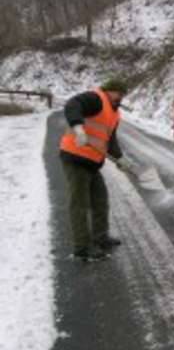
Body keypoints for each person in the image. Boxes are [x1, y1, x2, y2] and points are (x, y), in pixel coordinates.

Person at [60, 78, 132, 262]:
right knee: (80, 204)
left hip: (92, 161)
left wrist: (120, 158)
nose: (121, 97)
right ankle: (82, 248)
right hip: (75, 156)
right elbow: (72, 104)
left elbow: (111, 140)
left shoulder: (114, 114)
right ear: (109, 90)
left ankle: (100, 236)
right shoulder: (95, 98)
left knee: (100, 200)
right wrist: (78, 128)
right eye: (119, 93)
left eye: (123, 94)